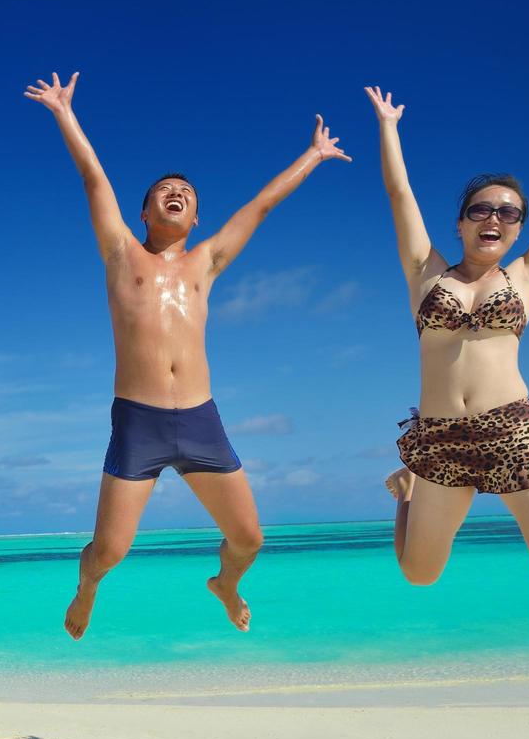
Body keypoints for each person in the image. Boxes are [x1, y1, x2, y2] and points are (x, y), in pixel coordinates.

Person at [25, 71, 350, 638]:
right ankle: (87, 589)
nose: (176, 193)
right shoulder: (122, 255)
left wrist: (314, 155)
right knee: (107, 552)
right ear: (144, 213)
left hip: (201, 419)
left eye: (188, 193)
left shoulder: (206, 262)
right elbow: (93, 178)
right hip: (139, 420)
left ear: (195, 218)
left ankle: (225, 583)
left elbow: (260, 206)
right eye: (163, 191)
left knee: (250, 539)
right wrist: (64, 113)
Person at [368, 87, 529, 584]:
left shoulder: (527, 276)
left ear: (517, 231)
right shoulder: (426, 275)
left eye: (508, 212)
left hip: (511, 431)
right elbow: (399, 193)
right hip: (438, 439)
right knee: (419, 573)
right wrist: (388, 127)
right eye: (481, 209)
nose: (493, 217)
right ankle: (409, 490)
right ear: (460, 223)